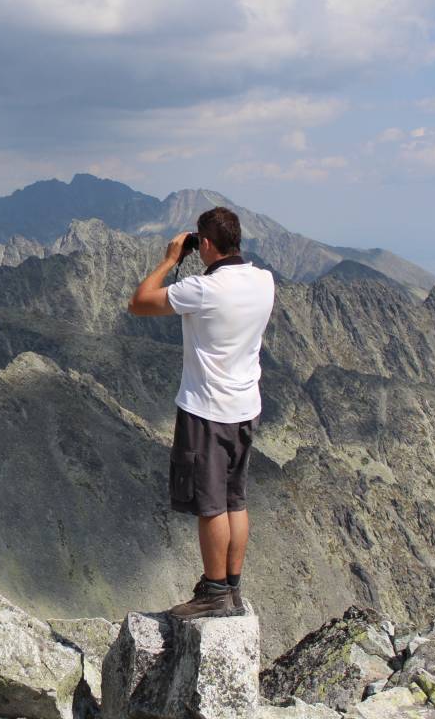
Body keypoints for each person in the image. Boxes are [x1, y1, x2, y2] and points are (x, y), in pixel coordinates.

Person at [127, 206, 274, 619]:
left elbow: (139, 302)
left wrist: (170, 259)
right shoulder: (264, 281)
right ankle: (232, 587)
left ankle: (214, 593)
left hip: (207, 412)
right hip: (246, 408)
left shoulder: (204, 289)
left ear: (205, 243)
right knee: (235, 500)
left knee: (210, 506)